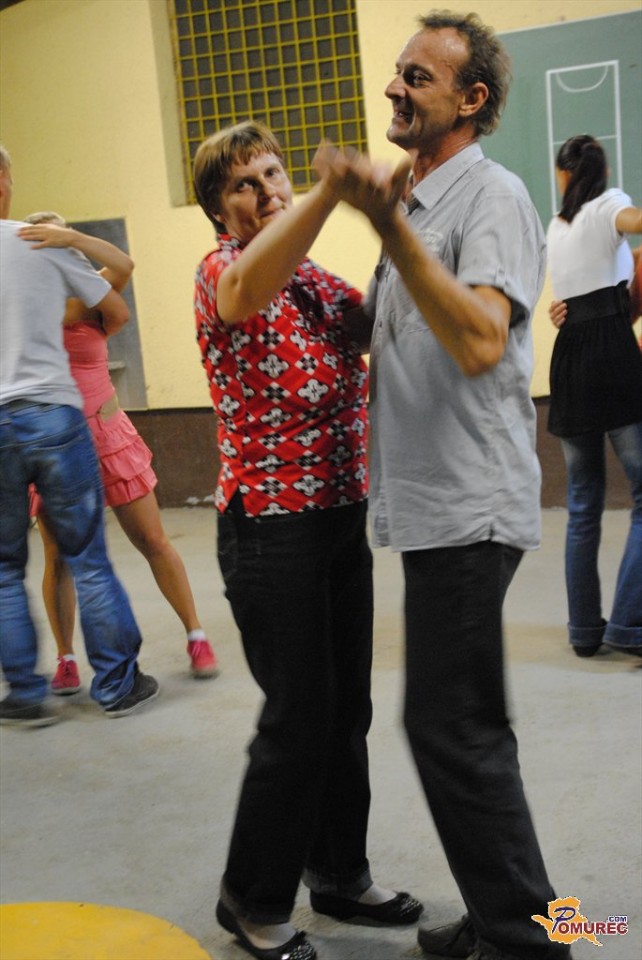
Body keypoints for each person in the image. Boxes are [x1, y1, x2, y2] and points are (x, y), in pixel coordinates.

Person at [313, 11, 572, 960]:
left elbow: (479, 339)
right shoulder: (418, 207)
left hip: (470, 505)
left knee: (453, 729)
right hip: (432, 507)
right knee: (460, 725)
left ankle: (530, 938)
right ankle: (509, 917)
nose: (394, 87)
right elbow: (391, 326)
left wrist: (387, 224)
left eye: (418, 77)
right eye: (397, 71)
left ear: (472, 100)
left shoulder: (489, 196)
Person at [192, 120, 422, 960]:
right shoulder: (224, 268)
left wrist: (398, 215)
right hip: (270, 528)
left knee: (346, 708)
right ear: (219, 209)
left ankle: (338, 874)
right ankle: (251, 902)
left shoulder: (313, 280)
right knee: (298, 717)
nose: (266, 191)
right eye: (244, 183)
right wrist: (331, 191)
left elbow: (376, 324)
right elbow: (242, 292)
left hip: (336, 516)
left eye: (274, 173)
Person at [16, 213, 219, 693]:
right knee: (58, 555)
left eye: (57, 246)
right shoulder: (22, 308)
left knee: (152, 538)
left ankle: (196, 634)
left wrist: (69, 237)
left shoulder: (91, 297)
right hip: (54, 444)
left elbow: (123, 265)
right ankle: (66, 659)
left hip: (107, 436)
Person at [0, 145, 158, 725]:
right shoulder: (36, 245)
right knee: (87, 557)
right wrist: (71, 240)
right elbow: (117, 288)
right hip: (54, 415)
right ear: (4, 181)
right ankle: (116, 686)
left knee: (3, 569)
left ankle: (25, 695)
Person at [545, 135, 642, 659]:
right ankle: (628, 625)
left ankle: (584, 630)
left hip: (569, 358)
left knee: (583, 504)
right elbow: (634, 222)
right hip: (612, 353)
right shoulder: (609, 206)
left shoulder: (555, 226)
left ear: (563, 175)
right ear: (601, 174)